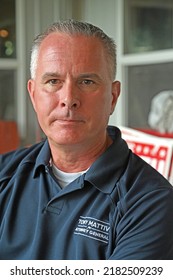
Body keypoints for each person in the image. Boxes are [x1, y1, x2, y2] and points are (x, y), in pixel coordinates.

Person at [0, 19, 173, 260]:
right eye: (53, 81)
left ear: (112, 97)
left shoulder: (151, 201)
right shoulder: (4, 174)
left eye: (86, 82)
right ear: (33, 94)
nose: (69, 98)